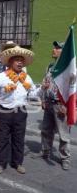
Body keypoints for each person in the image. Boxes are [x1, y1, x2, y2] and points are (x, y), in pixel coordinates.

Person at [0, 46, 45, 174]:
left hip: (20, 112)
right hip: (4, 111)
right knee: (2, 139)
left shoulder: (27, 78)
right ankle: (0, 163)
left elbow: (33, 94)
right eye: (17, 60)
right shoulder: (1, 77)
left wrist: (43, 88)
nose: (20, 62)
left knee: (19, 139)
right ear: (10, 62)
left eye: (22, 60)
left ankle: (17, 163)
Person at [39, 41, 71, 170]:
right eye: (54, 47)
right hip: (49, 104)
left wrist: (67, 106)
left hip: (61, 106)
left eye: (57, 48)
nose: (54, 49)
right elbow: (44, 83)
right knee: (46, 130)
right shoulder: (50, 67)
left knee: (63, 134)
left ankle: (65, 158)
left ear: (63, 52)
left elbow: (73, 90)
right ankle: (45, 151)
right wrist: (42, 99)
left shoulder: (69, 69)